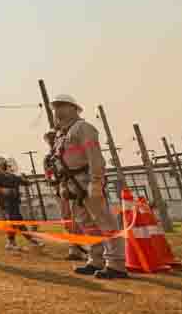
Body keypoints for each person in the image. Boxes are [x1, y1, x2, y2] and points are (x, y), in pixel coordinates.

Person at [46, 94, 127, 279]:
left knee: (105, 222)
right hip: (72, 185)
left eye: (62, 106)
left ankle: (116, 264)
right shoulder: (61, 134)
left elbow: (94, 157)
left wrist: (96, 182)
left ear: (75, 108)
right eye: (56, 106)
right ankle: (95, 260)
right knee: (87, 225)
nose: (58, 110)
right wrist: (63, 186)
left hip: (87, 181)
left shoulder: (83, 128)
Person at [44, 131, 87, 260]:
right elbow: (49, 176)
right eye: (49, 140)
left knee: (79, 220)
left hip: (75, 190)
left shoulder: (67, 152)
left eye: (53, 138)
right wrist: (57, 183)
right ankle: (74, 249)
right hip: (61, 192)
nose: (52, 141)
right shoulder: (48, 158)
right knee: (68, 221)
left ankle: (84, 249)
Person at [0, 157, 44, 251]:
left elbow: (25, 182)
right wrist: (3, 190)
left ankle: (13, 242)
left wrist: (29, 181)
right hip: (5, 202)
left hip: (14, 202)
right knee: (15, 221)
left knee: (16, 222)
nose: (4, 165)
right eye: (2, 163)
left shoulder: (12, 176)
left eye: (4, 163)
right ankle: (28, 241)